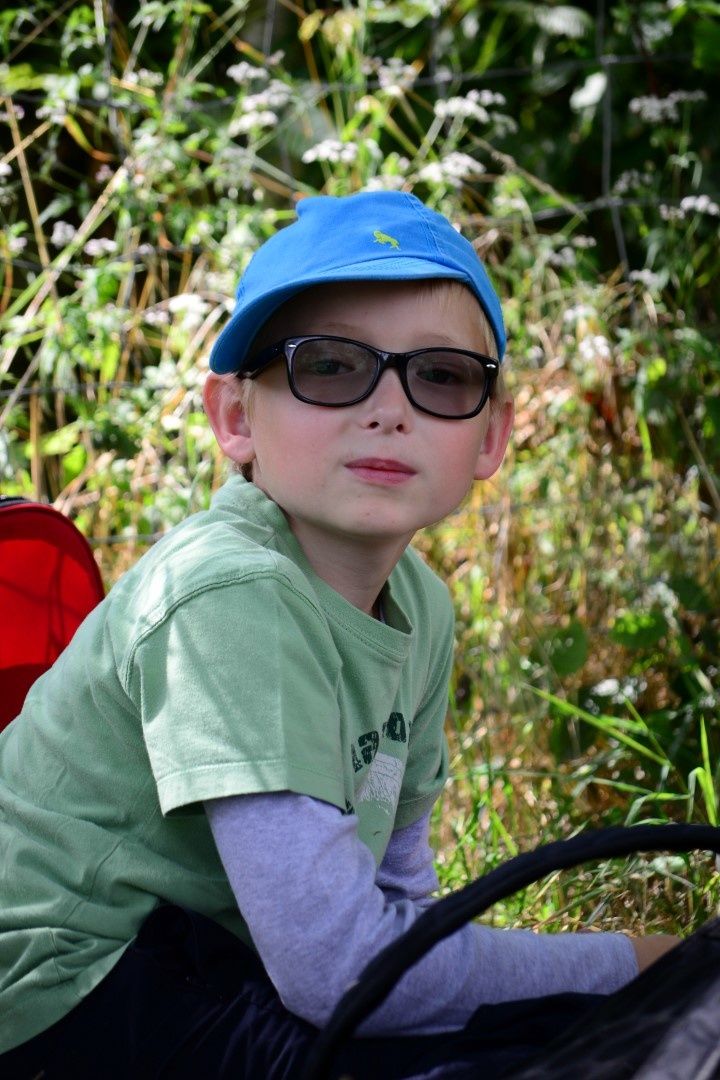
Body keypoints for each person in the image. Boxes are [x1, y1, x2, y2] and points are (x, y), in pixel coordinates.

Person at [0, 191, 678, 1079]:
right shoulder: (228, 595)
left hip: (206, 958)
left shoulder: (421, 609)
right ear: (235, 419)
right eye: (329, 366)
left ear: (491, 436)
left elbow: (399, 909)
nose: (389, 409)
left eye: (441, 376)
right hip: (57, 986)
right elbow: (343, 974)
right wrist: (633, 964)